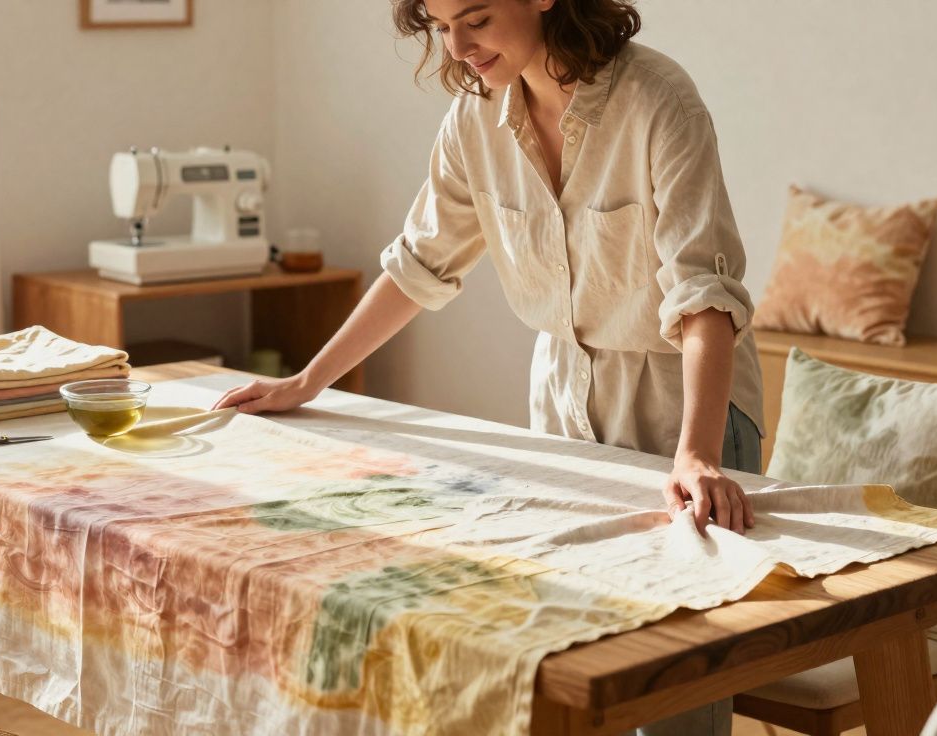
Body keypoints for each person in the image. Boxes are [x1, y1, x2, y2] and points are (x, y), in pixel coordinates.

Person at [215, 2, 765, 730]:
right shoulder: (474, 120)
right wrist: (307, 380)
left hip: (686, 402)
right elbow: (419, 265)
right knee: (571, 646)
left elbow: (704, 296)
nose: (457, 46)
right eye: (440, 25)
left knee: (673, 689)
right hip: (560, 400)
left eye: (475, 18)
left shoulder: (657, 100)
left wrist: (695, 454)